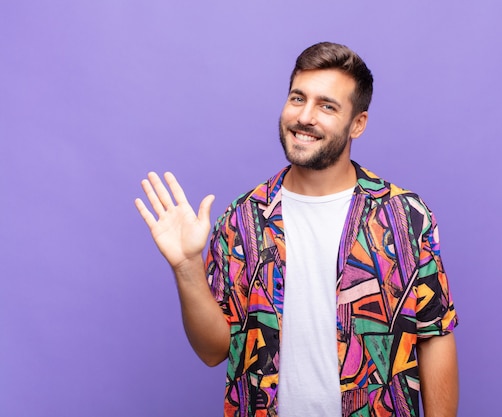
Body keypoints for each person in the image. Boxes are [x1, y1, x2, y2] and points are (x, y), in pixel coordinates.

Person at [135, 42, 459, 417]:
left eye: (327, 106)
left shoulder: (404, 217)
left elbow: (434, 335)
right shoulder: (243, 220)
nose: (305, 117)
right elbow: (213, 351)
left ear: (358, 123)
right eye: (297, 98)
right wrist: (187, 266)